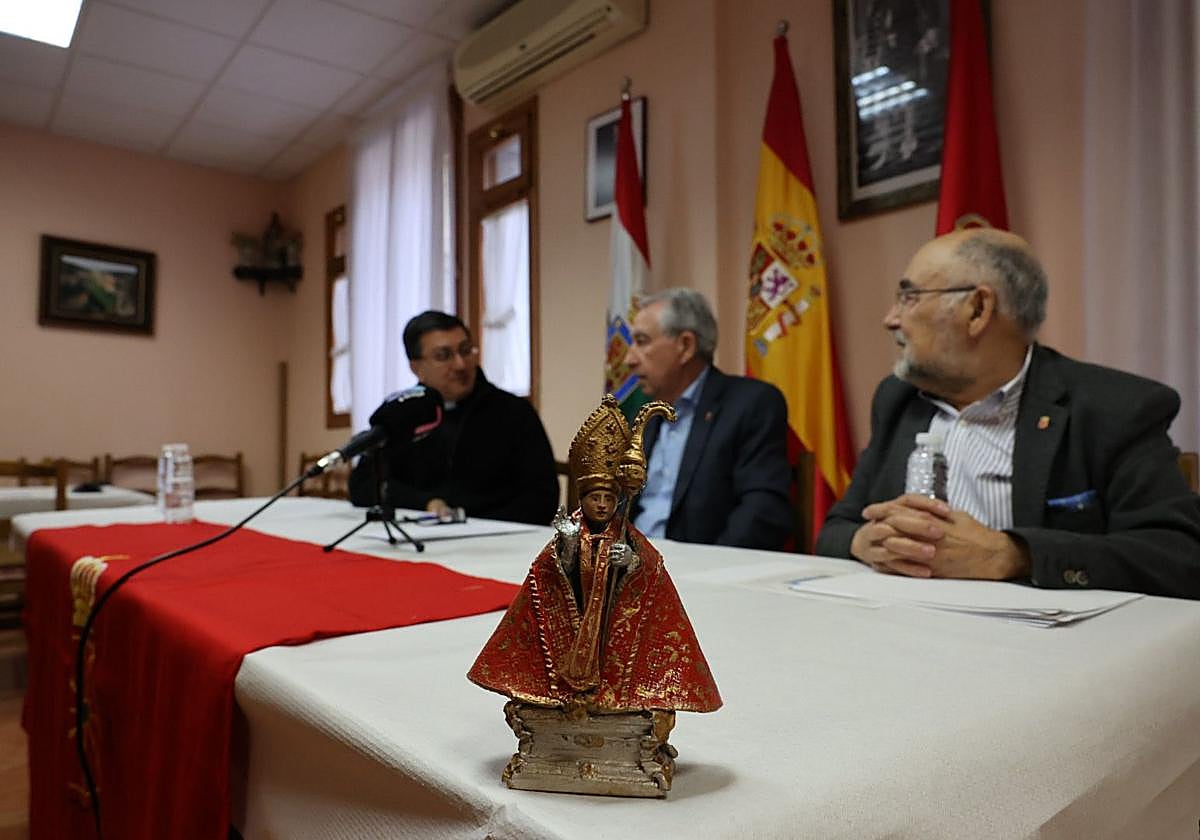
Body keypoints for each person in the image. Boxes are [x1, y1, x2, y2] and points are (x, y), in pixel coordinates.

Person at [816, 228, 1200, 600]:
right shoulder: (899, 400)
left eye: (909, 297)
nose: (891, 319)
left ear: (978, 309)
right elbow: (835, 527)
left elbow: (1177, 557)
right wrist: (865, 541)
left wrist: (1012, 555)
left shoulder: (1113, 408)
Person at [468, 395, 721, 713]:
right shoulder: (572, 531)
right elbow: (549, 574)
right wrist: (570, 548)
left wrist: (630, 563)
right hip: (575, 624)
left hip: (612, 628)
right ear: (581, 498)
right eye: (594, 497)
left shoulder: (626, 535)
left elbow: (651, 566)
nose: (602, 504)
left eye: (608, 497)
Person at [348, 311, 558, 526]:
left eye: (466, 351)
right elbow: (363, 487)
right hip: (418, 536)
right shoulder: (402, 414)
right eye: (444, 355)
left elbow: (542, 498)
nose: (460, 364)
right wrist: (427, 503)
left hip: (494, 542)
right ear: (416, 368)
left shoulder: (514, 412)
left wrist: (473, 526)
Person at [621, 288, 791, 550]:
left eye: (642, 341)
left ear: (685, 346)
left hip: (701, 574)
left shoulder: (751, 404)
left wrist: (709, 572)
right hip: (632, 570)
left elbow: (761, 511)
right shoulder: (641, 417)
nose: (629, 359)